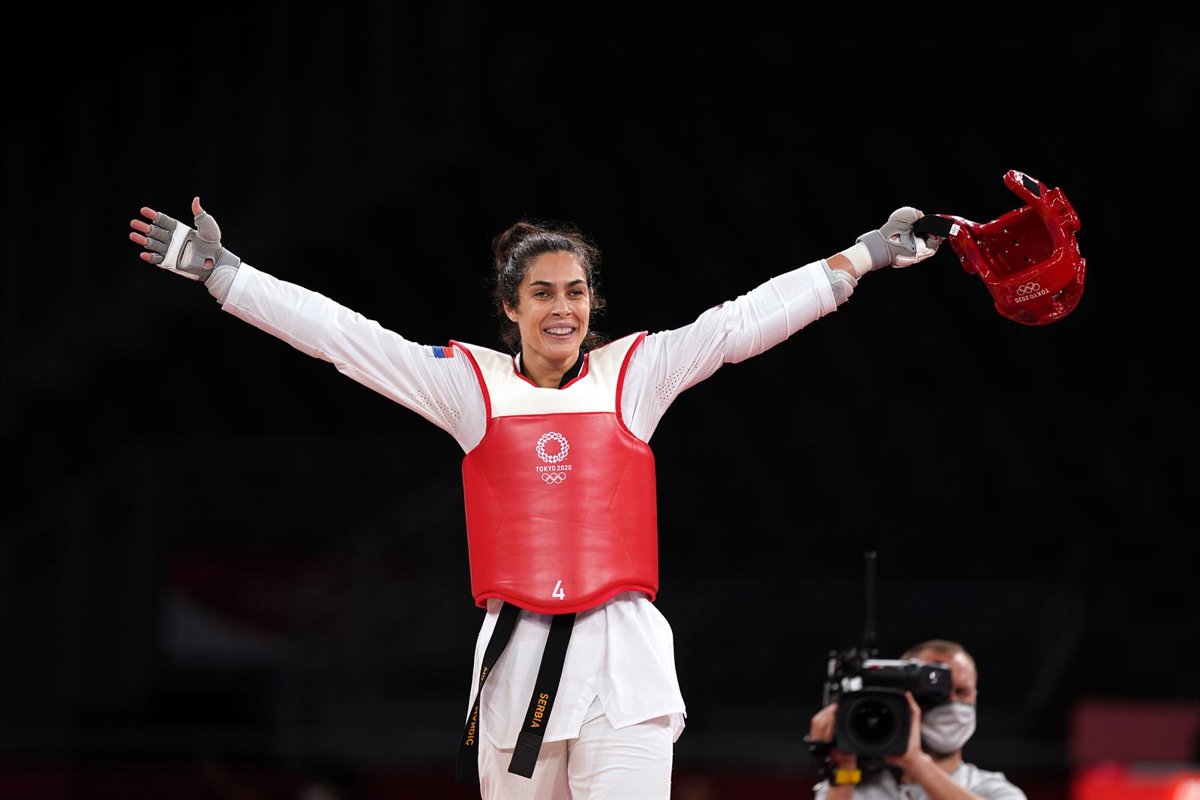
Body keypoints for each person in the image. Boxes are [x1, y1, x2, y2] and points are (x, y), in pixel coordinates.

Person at [129, 196, 940, 800]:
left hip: (624, 664)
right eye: (544, 293)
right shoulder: (468, 385)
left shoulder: (635, 373)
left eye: (576, 292)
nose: (564, 309)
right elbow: (345, 339)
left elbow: (739, 324)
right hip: (517, 663)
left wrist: (863, 255)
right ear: (511, 307)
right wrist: (226, 275)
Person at [806, 639, 1027, 800]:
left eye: (962, 692)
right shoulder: (855, 786)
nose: (951, 702)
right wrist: (843, 769)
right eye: (937, 693)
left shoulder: (991, 788)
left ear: (975, 698)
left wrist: (915, 762)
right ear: (902, 697)